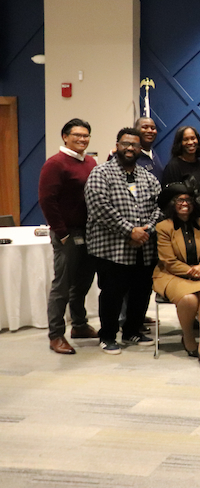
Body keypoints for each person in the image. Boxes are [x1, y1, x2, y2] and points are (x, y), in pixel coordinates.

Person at [85, 128, 161, 354]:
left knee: (141, 291)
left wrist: (146, 229)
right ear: (117, 145)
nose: (130, 148)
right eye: (125, 144)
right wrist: (130, 231)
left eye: (135, 145)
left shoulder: (148, 177)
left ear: (140, 149)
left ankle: (132, 330)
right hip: (112, 248)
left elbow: (160, 207)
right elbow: (99, 207)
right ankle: (107, 335)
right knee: (112, 293)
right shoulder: (101, 174)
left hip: (144, 248)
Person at [38, 118, 99, 354]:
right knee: (62, 285)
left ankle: (80, 325)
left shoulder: (90, 162)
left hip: (88, 232)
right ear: (65, 136)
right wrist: (61, 232)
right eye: (77, 135)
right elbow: (47, 200)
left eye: (86, 135)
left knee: (83, 282)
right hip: (66, 234)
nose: (82, 139)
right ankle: (56, 335)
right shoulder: (55, 164)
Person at [152, 182, 200, 369]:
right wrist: (195, 273)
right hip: (170, 274)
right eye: (179, 200)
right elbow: (169, 261)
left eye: (188, 200)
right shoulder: (164, 227)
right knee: (188, 299)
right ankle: (188, 336)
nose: (184, 203)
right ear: (172, 203)